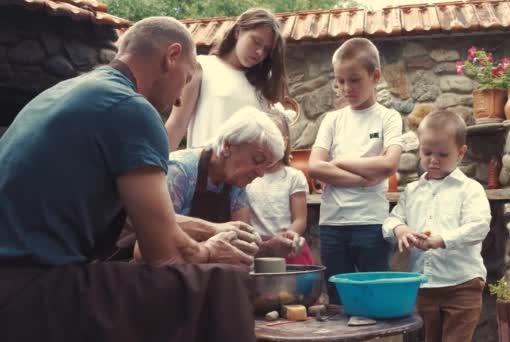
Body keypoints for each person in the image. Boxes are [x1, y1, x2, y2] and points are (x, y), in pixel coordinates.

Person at [0, 17, 258, 342]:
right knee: (219, 283)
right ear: (171, 56)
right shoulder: (132, 108)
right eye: (187, 79)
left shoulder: (66, 91)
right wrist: (208, 252)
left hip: (15, 277)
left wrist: (211, 231)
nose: (180, 99)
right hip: (26, 291)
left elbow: (149, 223)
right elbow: (164, 256)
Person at [132, 106, 301, 260]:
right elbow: (150, 237)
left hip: (198, 273)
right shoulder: (180, 170)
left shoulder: (237, 184)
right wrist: (213, 229)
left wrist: (268, 248)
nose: (261, 173)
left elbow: (241, 246)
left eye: (266, 166)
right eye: (258, 159)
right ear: (228, 146)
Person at [308, 38, 403, 304]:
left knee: (376, 298)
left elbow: (389, 165)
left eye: (354, 80)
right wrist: (364, 179)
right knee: (338, 301)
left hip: (371, 223)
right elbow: (315, 166)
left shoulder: (388, 117)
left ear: (375, 76)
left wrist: (336, 163)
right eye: (340, 81)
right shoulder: (332, 120)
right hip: (332, 225)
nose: (346, 88)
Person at [382, 110, 491, 342]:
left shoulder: (470, 189)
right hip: (423, 288)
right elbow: (391, 220)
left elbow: (479, 226)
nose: (433, 159)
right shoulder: (412, 191)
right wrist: (400, 230)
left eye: (442, 154)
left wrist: (441, 240)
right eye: (426, 152)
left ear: (460, 153)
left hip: (463, 285)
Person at [165, 7, 287, 151]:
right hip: (204, 169)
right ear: (238, 32)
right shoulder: (203, 67)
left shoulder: (263, 83)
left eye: (267, 49)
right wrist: (159, 167)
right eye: (256, 41)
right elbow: (177, 124)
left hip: (252, 172)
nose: (260, 52)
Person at [246, 111, 315, 265]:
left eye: (272, 141)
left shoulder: (294, 177)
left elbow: (300, 219)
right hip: (256, 249)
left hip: (288, 247)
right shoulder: (247, 177)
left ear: (284, 142)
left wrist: (286, 239)